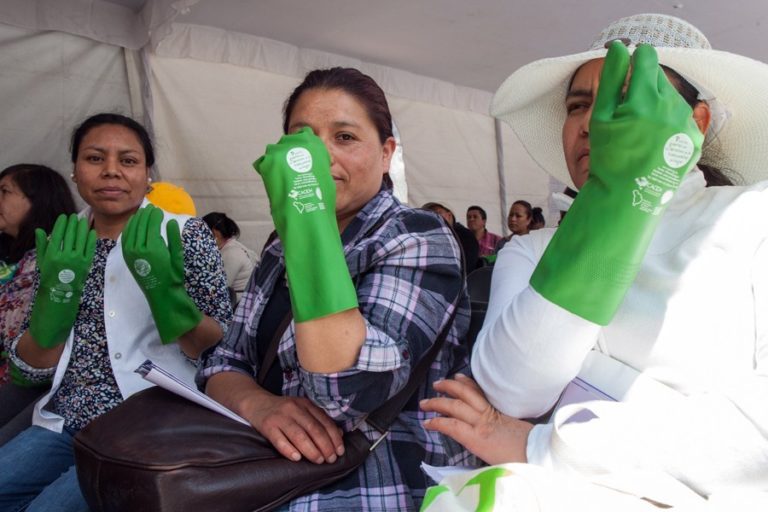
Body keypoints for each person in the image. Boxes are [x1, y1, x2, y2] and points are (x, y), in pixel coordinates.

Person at [420, 13, 768, 507]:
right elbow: (511, 390)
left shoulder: (754, 217)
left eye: (625, 100)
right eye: (579, 105)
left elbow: (758, 445)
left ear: (697, 122)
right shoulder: (531, 249)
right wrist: (619, 197)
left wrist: (541, 441)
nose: (594, 123)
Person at [198, 67, 471, 511]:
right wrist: (257, 404)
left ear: (385, 154)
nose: (317, 157)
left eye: (344, 137)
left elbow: (347, 393)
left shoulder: (417, 235)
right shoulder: (277, 250)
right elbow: (223, 361)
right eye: (300, 138)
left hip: (370, 482)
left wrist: (308, 220)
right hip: (264, 471)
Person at [0, 113, 232, 511]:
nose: (111, 171)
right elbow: (36, 366)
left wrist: (165, 290)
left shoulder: (185, 233)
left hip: (147, 421)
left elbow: (219, 350)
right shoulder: (62, 238)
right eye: (94, 159)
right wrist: (51, 310)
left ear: (147, 175)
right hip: (65, 415)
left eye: (127, 161)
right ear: (74, 171)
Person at [0, 164, 76, 445]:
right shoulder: (10, 256)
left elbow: (20, 337)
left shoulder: (53, 262)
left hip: (32, 382)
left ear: (38, 201)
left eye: (5, 191)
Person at [202, 211, 257, 304]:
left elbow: (217, 289)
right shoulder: (231, 247)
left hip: (238, 304)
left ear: (215, 233)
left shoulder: (231, 253)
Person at [422, 201, 480, 271]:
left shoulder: (465, 236)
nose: (433, 216)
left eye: (438, 213)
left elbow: (466, 266)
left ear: (449, 215)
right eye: (429, 214)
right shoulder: (425, 236)